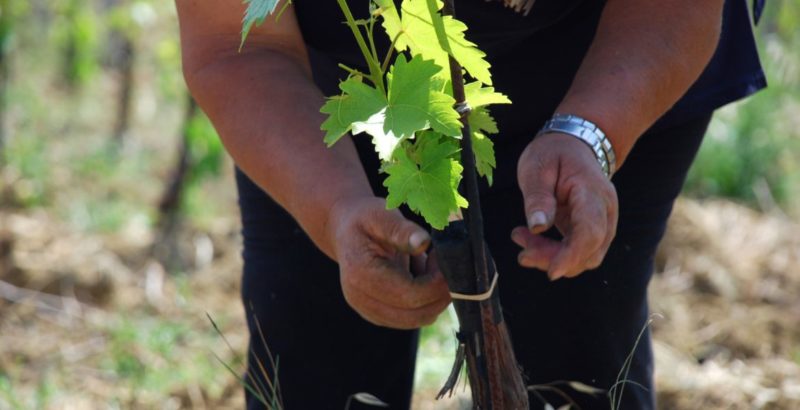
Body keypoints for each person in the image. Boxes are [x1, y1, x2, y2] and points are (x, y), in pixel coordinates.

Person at [175, 0, 765, 408]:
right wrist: (334, 209)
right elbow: (234, 40)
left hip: (615, 46)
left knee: (575, 348)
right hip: (334, 77)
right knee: (315, 354)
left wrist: (591, 134)